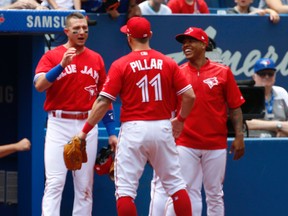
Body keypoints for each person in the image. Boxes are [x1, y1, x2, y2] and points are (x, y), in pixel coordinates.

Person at [75, 16, 195, 216]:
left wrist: (84, 132)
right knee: (175, 186)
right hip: (162, 126)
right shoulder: (168, 62)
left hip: (134, 128)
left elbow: (104, 102)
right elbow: (190, 95)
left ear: (129, 38)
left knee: (126, 192)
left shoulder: (121, 64)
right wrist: (181, 120)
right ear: (151, 36)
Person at [149, 27, 246, 216]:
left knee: (215, 194)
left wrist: (239, 136)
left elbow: (235, 106)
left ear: (204, 44)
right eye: (184, 42)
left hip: (216, 143)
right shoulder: (177, 72)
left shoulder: (223, 72)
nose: (186, 45)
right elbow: (167, 107)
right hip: (186, 142)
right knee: (182, 191)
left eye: (191, 41)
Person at [34, 12, 117, 216]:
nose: (81, 32)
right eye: (76, 29)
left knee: (85, 187)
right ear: (66, 31)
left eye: (85, 29)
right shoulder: (52, 56)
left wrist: (112, 132)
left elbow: (103, 99)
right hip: (58, 123)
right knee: (54, 182)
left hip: (86, 125)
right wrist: (61, 65)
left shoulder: (96, 59)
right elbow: (39, 85)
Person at [246, 58, 288, 137]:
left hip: (279, 143)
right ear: (254, 76)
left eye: (270, 73)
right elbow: (245, 124)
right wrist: (278, 125)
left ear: (275, 76)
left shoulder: (282, 93)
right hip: (253, 141)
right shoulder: (248, 94)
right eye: (262, 74)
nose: (267, 76)